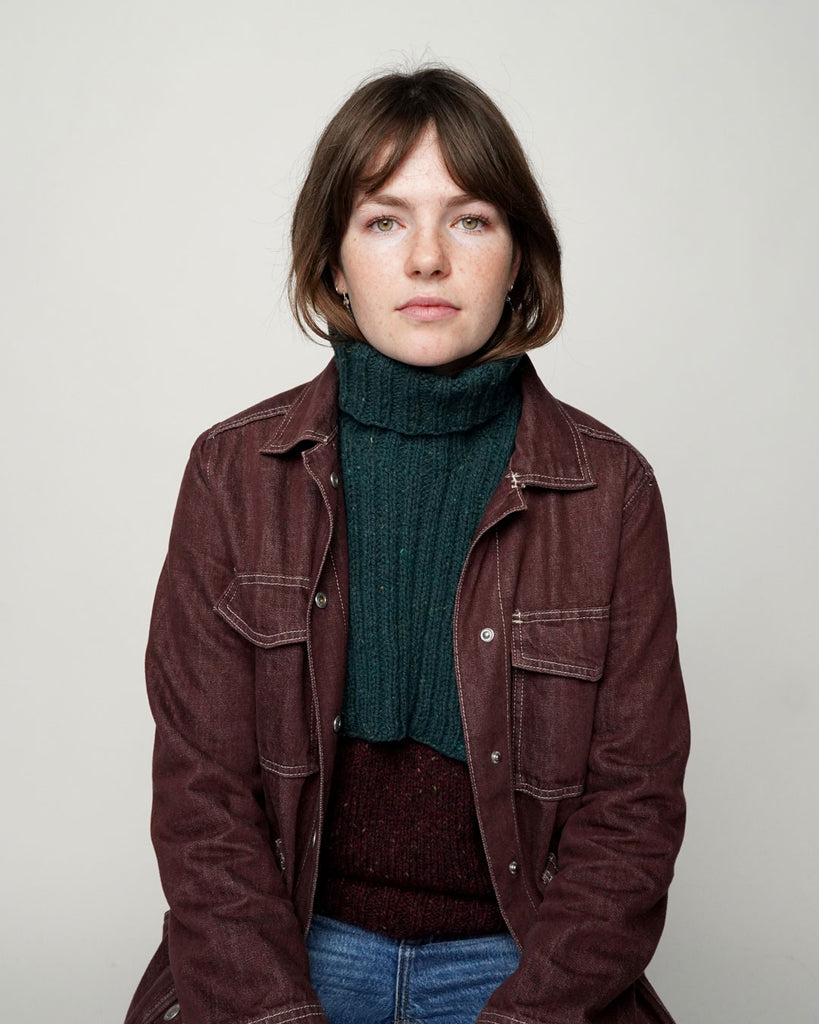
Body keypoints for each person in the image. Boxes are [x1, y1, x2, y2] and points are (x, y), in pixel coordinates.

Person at [124, 66, 689, 1024]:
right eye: (385, 220)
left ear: (518, 257)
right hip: (289, 952)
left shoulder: (611, 491)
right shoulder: (234, 472)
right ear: (335, 263)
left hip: (519, 964)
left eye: (469, 220)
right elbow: (201, 802)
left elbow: (632, 815)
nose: (427, 259)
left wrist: (523, 1016)